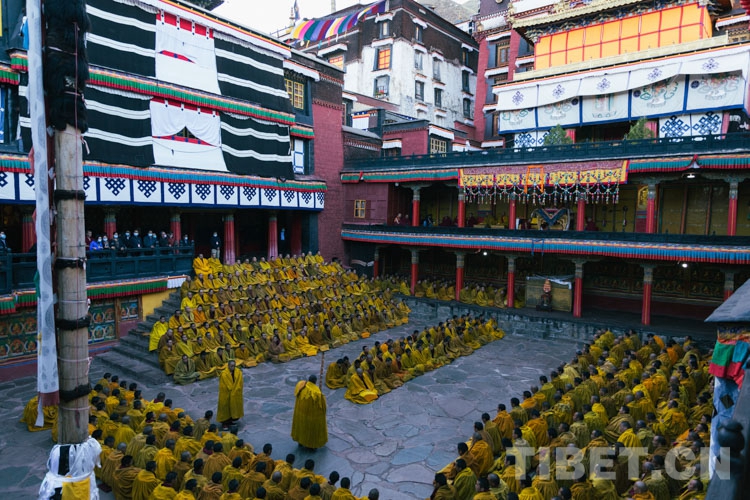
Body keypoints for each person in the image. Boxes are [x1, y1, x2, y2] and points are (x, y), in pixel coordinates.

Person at [291, 375, 328, 450]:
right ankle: (311, 445)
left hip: (300, 413)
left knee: (301, 427)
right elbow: (322, 407)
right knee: (311, 430)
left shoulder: (301, 385)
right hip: (311, 416)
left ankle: (300, 441)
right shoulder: (316, 393)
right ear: (315, 381)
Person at [217, 360, 244, 428]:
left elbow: (240, 383)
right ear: (228, 366)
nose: (233, 367)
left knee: (233, 407)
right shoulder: (224, 374)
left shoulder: (238, 372)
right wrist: (232, 390)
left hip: (235, 394)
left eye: (234, 366)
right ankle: (225, 423)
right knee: (225, 409)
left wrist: (235, 390)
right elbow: (223, 386)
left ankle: (231, 421)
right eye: (231, 366)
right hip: (226, 394)